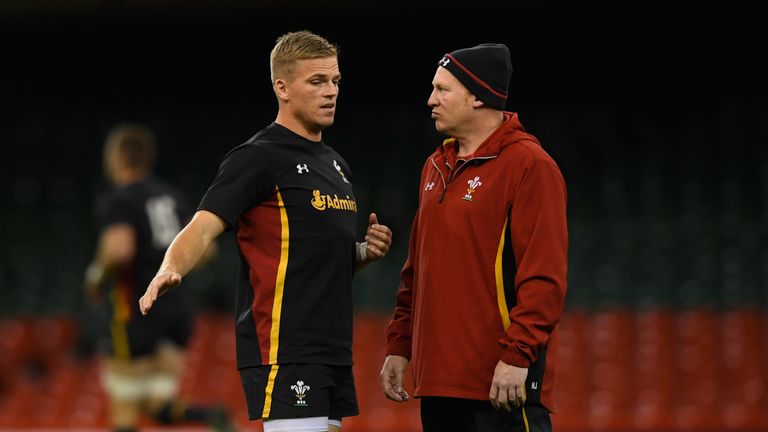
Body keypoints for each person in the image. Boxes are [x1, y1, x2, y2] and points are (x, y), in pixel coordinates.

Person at [138, 30, 393, 432]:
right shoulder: (257, 157)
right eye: (317, 81)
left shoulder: (336, 165)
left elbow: (318, 259)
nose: (331, 92)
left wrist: (362, 253)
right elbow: (203, 226)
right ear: (282, 87)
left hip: (331, 348)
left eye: (336, 81)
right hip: (285, 347)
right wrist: (170, 267)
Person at [380, 43, 568, 432]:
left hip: (502, 386)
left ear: (479, 96)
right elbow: (416, 270)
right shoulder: (433, 166)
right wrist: (400, 345)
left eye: (442, 89)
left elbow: (544, 277)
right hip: (438, 387)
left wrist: (518, 357)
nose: (430, 100)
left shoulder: (530, 165)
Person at [83, 123, 233, 432]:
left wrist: (95, 278)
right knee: (156, 406)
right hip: (178, 312)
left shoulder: (120, 199)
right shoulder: (171, 196)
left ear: (118, 156)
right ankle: (212, 418)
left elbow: (119, 250)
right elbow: (207, 250)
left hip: (136, 309)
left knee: (124, 411)